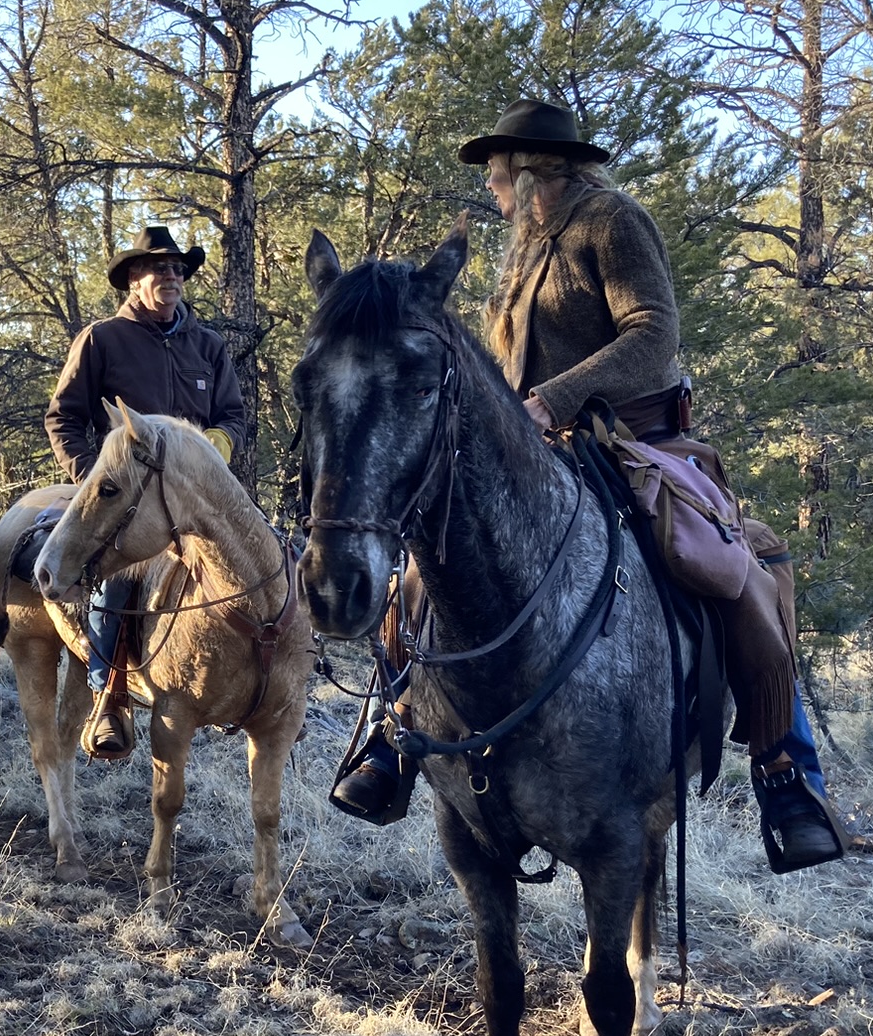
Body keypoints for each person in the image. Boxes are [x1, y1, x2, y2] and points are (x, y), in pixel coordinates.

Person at [330, 99, 846, 871]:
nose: (492, 185)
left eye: (497, 170)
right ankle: (395, 732)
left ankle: (784, 772)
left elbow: (654, 334)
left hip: (633, 438)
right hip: (525, 452)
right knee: (423, 569)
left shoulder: (612, 221)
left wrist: (554, 400)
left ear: (532, 167)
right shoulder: (518, 248)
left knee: (733, 573)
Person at [45, 225, 248, 759]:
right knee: (120, 583)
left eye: (178, 269)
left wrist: (220, 446)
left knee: (267, 565)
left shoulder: (208, 345)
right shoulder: (101, 339)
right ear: (133, 280)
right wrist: (96, 479)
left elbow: (232, 413)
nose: (171, 276)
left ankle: (263, 690)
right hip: (131, 501)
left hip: (203, 497)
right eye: (159, 268)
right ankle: (108, 696)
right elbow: (62, 417)